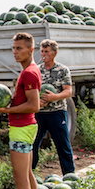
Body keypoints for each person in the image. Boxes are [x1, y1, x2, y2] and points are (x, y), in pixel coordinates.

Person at [0, 32, 42, 189]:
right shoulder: (29, 70)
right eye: (13, 48)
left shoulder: (29, 73)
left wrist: (7, 111)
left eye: (19, 48)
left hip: (22, 128)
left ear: (31, 49)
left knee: (21, 179)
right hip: (26, 127)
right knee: (27, 174)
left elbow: (34, 105)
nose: (15, 52)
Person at [32, 39, 76, 175]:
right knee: (33, 145)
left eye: (47, 51)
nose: (43, 54)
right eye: (42, 51)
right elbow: (32, 90)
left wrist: (54, 97)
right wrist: (38, 101)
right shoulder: (36, 70)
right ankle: (30, 175)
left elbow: (68, 91)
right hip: (39, 113)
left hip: (57, 113)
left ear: (54, 53)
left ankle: (69, 175)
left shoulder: (62, 70)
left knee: (63, 145)